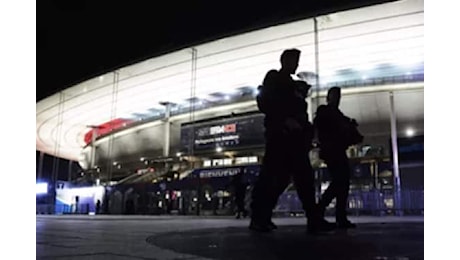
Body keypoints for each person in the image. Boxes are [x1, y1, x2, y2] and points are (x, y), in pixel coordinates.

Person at [249, 48, 335, 233]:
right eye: (293, 60)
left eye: (297, 60)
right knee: (273, 178)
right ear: (283, 61)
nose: (296, 64)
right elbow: (266, 101)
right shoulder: (274, 77)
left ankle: (312, 219)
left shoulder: (293, 84)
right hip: (280, 136)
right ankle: (259, 217)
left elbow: (298, 110)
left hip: (295, 139)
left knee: (302, 178)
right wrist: (283, 119)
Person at [314, 86, 363, 228]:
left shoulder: (338, 115)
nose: (337, 99)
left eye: (338, 96)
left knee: (342, 182)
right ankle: (323, 209)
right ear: (329, 97)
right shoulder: (326, 112)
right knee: (340, 181)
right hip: (332, 151)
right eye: (335, 96)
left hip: (337, 150)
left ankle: (337, 215)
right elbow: (324, 128)